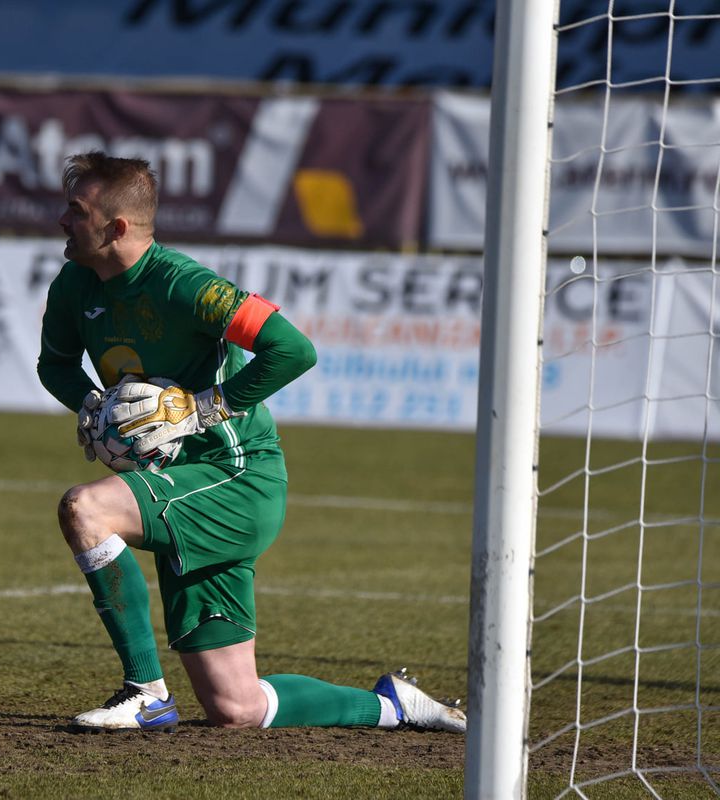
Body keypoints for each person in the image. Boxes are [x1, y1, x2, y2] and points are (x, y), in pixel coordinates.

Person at [36, 151, 466, 734]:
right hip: (177, 485)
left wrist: (199, 409)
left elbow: (293, 349)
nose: (62, 221)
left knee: (85, 509)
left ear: (116, 228)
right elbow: (55, 364)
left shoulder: (186, 286)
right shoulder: (74, 284)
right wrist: (90, 402)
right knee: (236, 709)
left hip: (235, 476)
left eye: (75, 210)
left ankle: (146, 692)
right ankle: (394, 705)